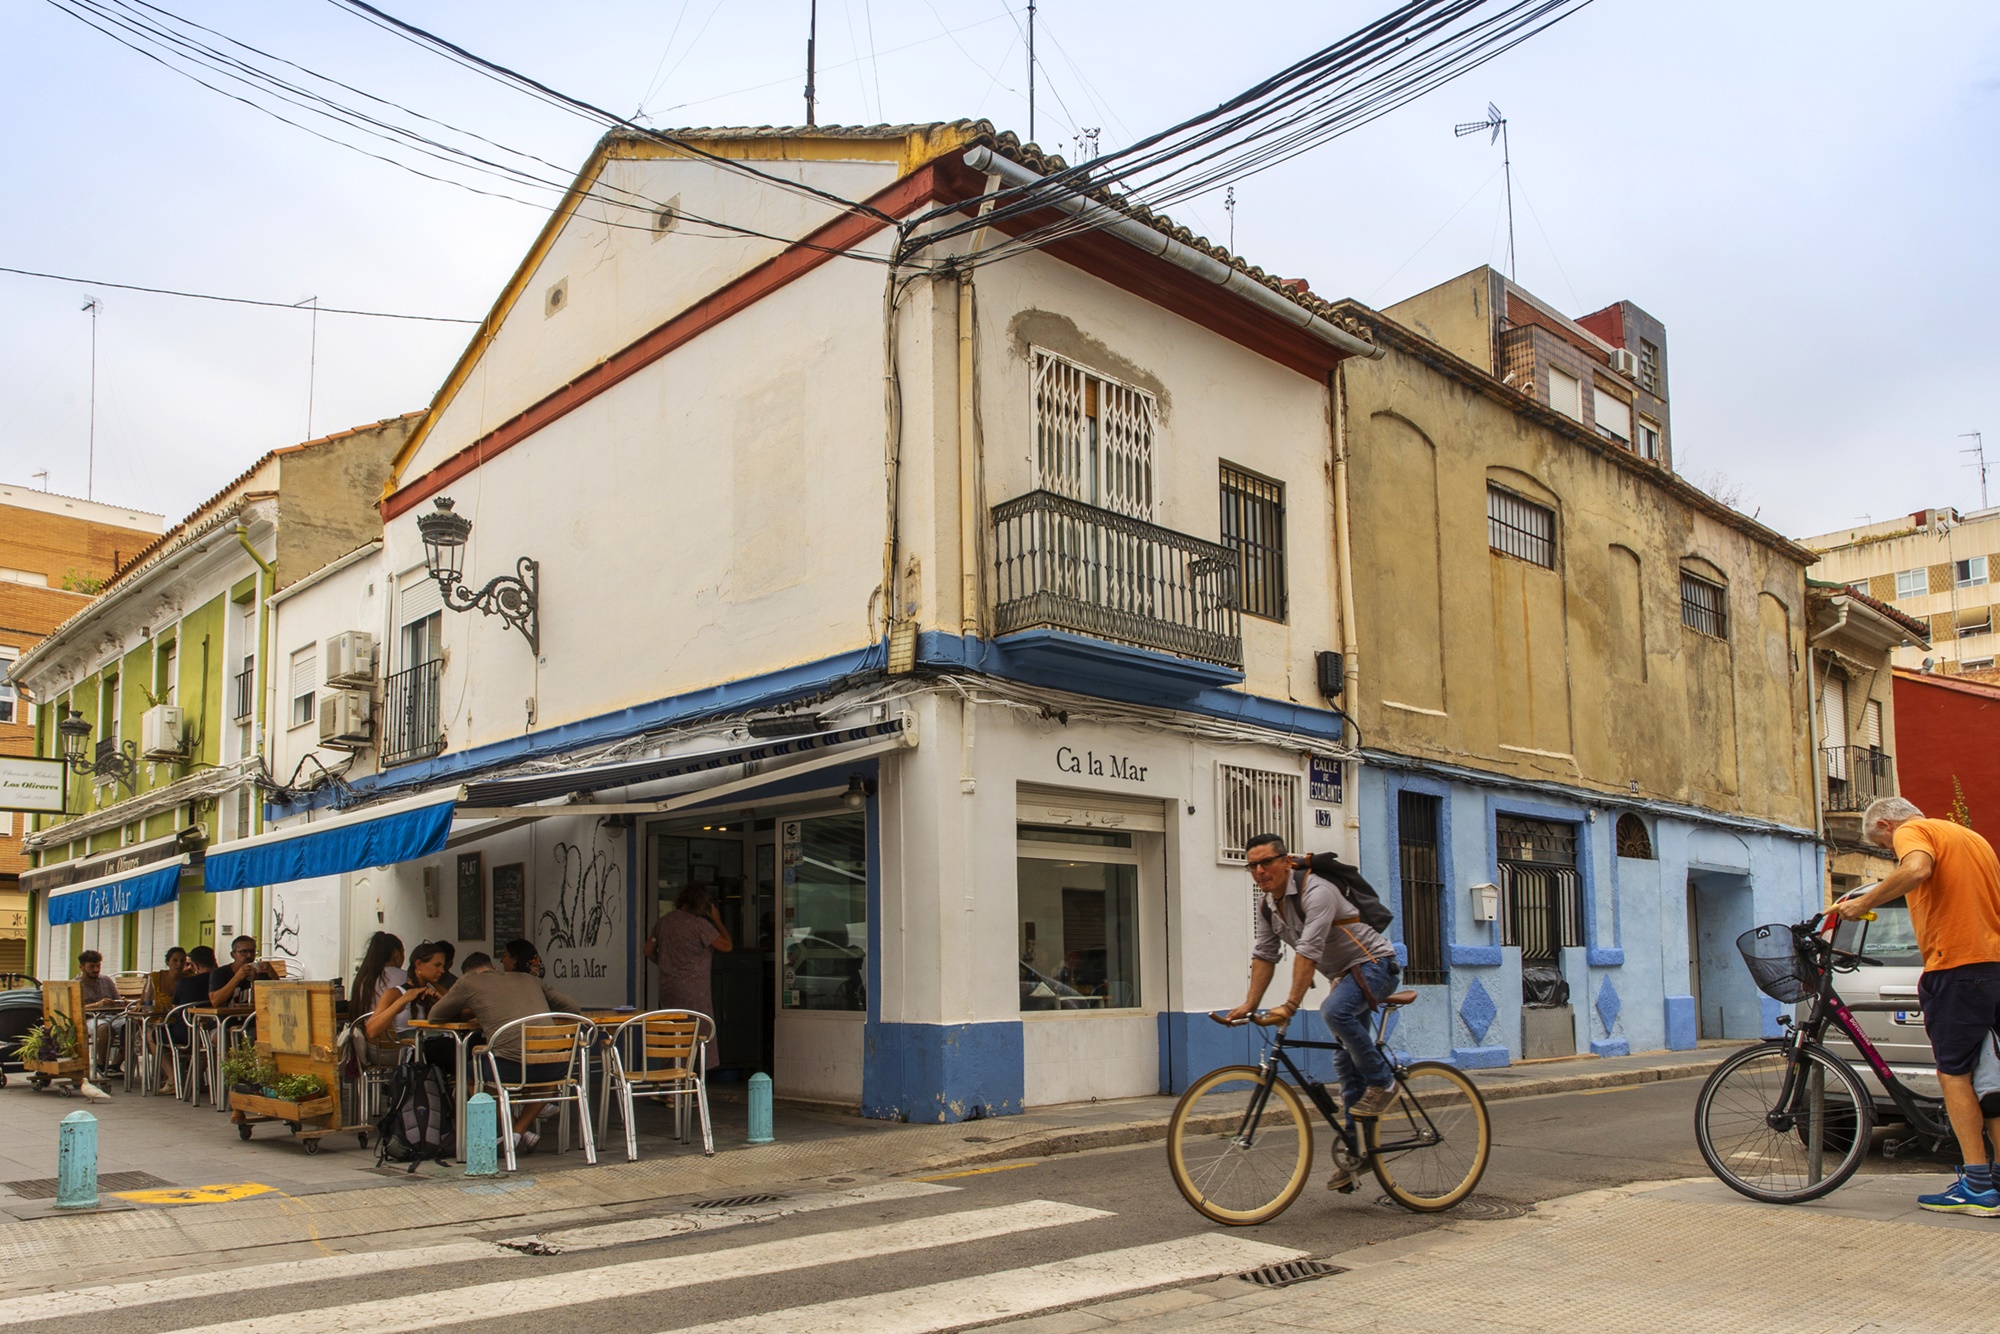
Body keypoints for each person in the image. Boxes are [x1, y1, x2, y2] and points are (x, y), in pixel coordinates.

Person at [1835, 797, 2000, 1215]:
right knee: (1992, 1079)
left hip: (1958, 967)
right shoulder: (1973, 838)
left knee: (1954, 1074)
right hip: (1993, 966)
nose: (1894, 853)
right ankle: (1997, 1180)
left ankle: (1978, 1186)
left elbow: (1916, 869)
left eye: (1886, 847)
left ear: (1888, 826)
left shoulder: (1915, 831)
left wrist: (1864, 902)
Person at [1223, 832, 1402, 1192]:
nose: (1259, 871)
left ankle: (1384, 1081)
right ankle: (1358, 1151)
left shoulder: (1315, 891)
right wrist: (1250, 1004)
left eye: (1266, 862)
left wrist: (1290, 1005)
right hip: (1344, 975)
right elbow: (1264, 954)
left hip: (1375, 965)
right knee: (1345, 1062)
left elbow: (1309, 951)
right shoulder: (1267, 906)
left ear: (1286, 861)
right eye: (1252, 865)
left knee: (1334, 1012)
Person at [425, 953, 581, 1156]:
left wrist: (475, 1006)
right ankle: (519, 1133)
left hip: (509, 1069)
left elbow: (435, 1016)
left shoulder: (468, 982)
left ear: (469, 973)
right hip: (554, 1069)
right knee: (546, 1070)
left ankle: (512, 1131)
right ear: (493, 968)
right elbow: (572, 1008)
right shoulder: (529, 979)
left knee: (469, 1074)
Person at [642, 885, 732, 1070]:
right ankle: (690, 1080)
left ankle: (669, 1084)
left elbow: (648, 950)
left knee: (671, 1032)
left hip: (667, 989)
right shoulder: (700, 926)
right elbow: (727, 945)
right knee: (698, 1032)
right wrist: (717, 920)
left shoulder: (664, 921)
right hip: (694, 991)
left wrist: (667, 964)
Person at [351, 932, 412, 1067]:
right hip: (399, 1050)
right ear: (396, 954)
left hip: (370, 1050)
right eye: (403, 953)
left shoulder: (362, 979)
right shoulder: (406, 978)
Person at [74, 950, 124, 1074]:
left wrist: (122, 1002)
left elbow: (117, 999)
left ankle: (116, 1064)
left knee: (132, 1026)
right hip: (90, 1018)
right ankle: (101, 1065)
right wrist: (97, 1005)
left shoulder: (106, 980)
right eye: (91, 966)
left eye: (98, 966)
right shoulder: (75, 985)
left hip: (113, 1016)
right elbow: (76, 1008)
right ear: (82, 967)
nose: (96, 969)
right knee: (103, 1028)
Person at [208, 936, 272, 1008]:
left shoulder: (261, 972)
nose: (249, 955)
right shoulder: (220, 973)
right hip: (228, 1017)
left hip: (253, 1016)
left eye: (252, 951)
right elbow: (215, 1001)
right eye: (244, 952)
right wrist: (237, 977)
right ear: (233, 955)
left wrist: (272, 974)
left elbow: (277, 997)